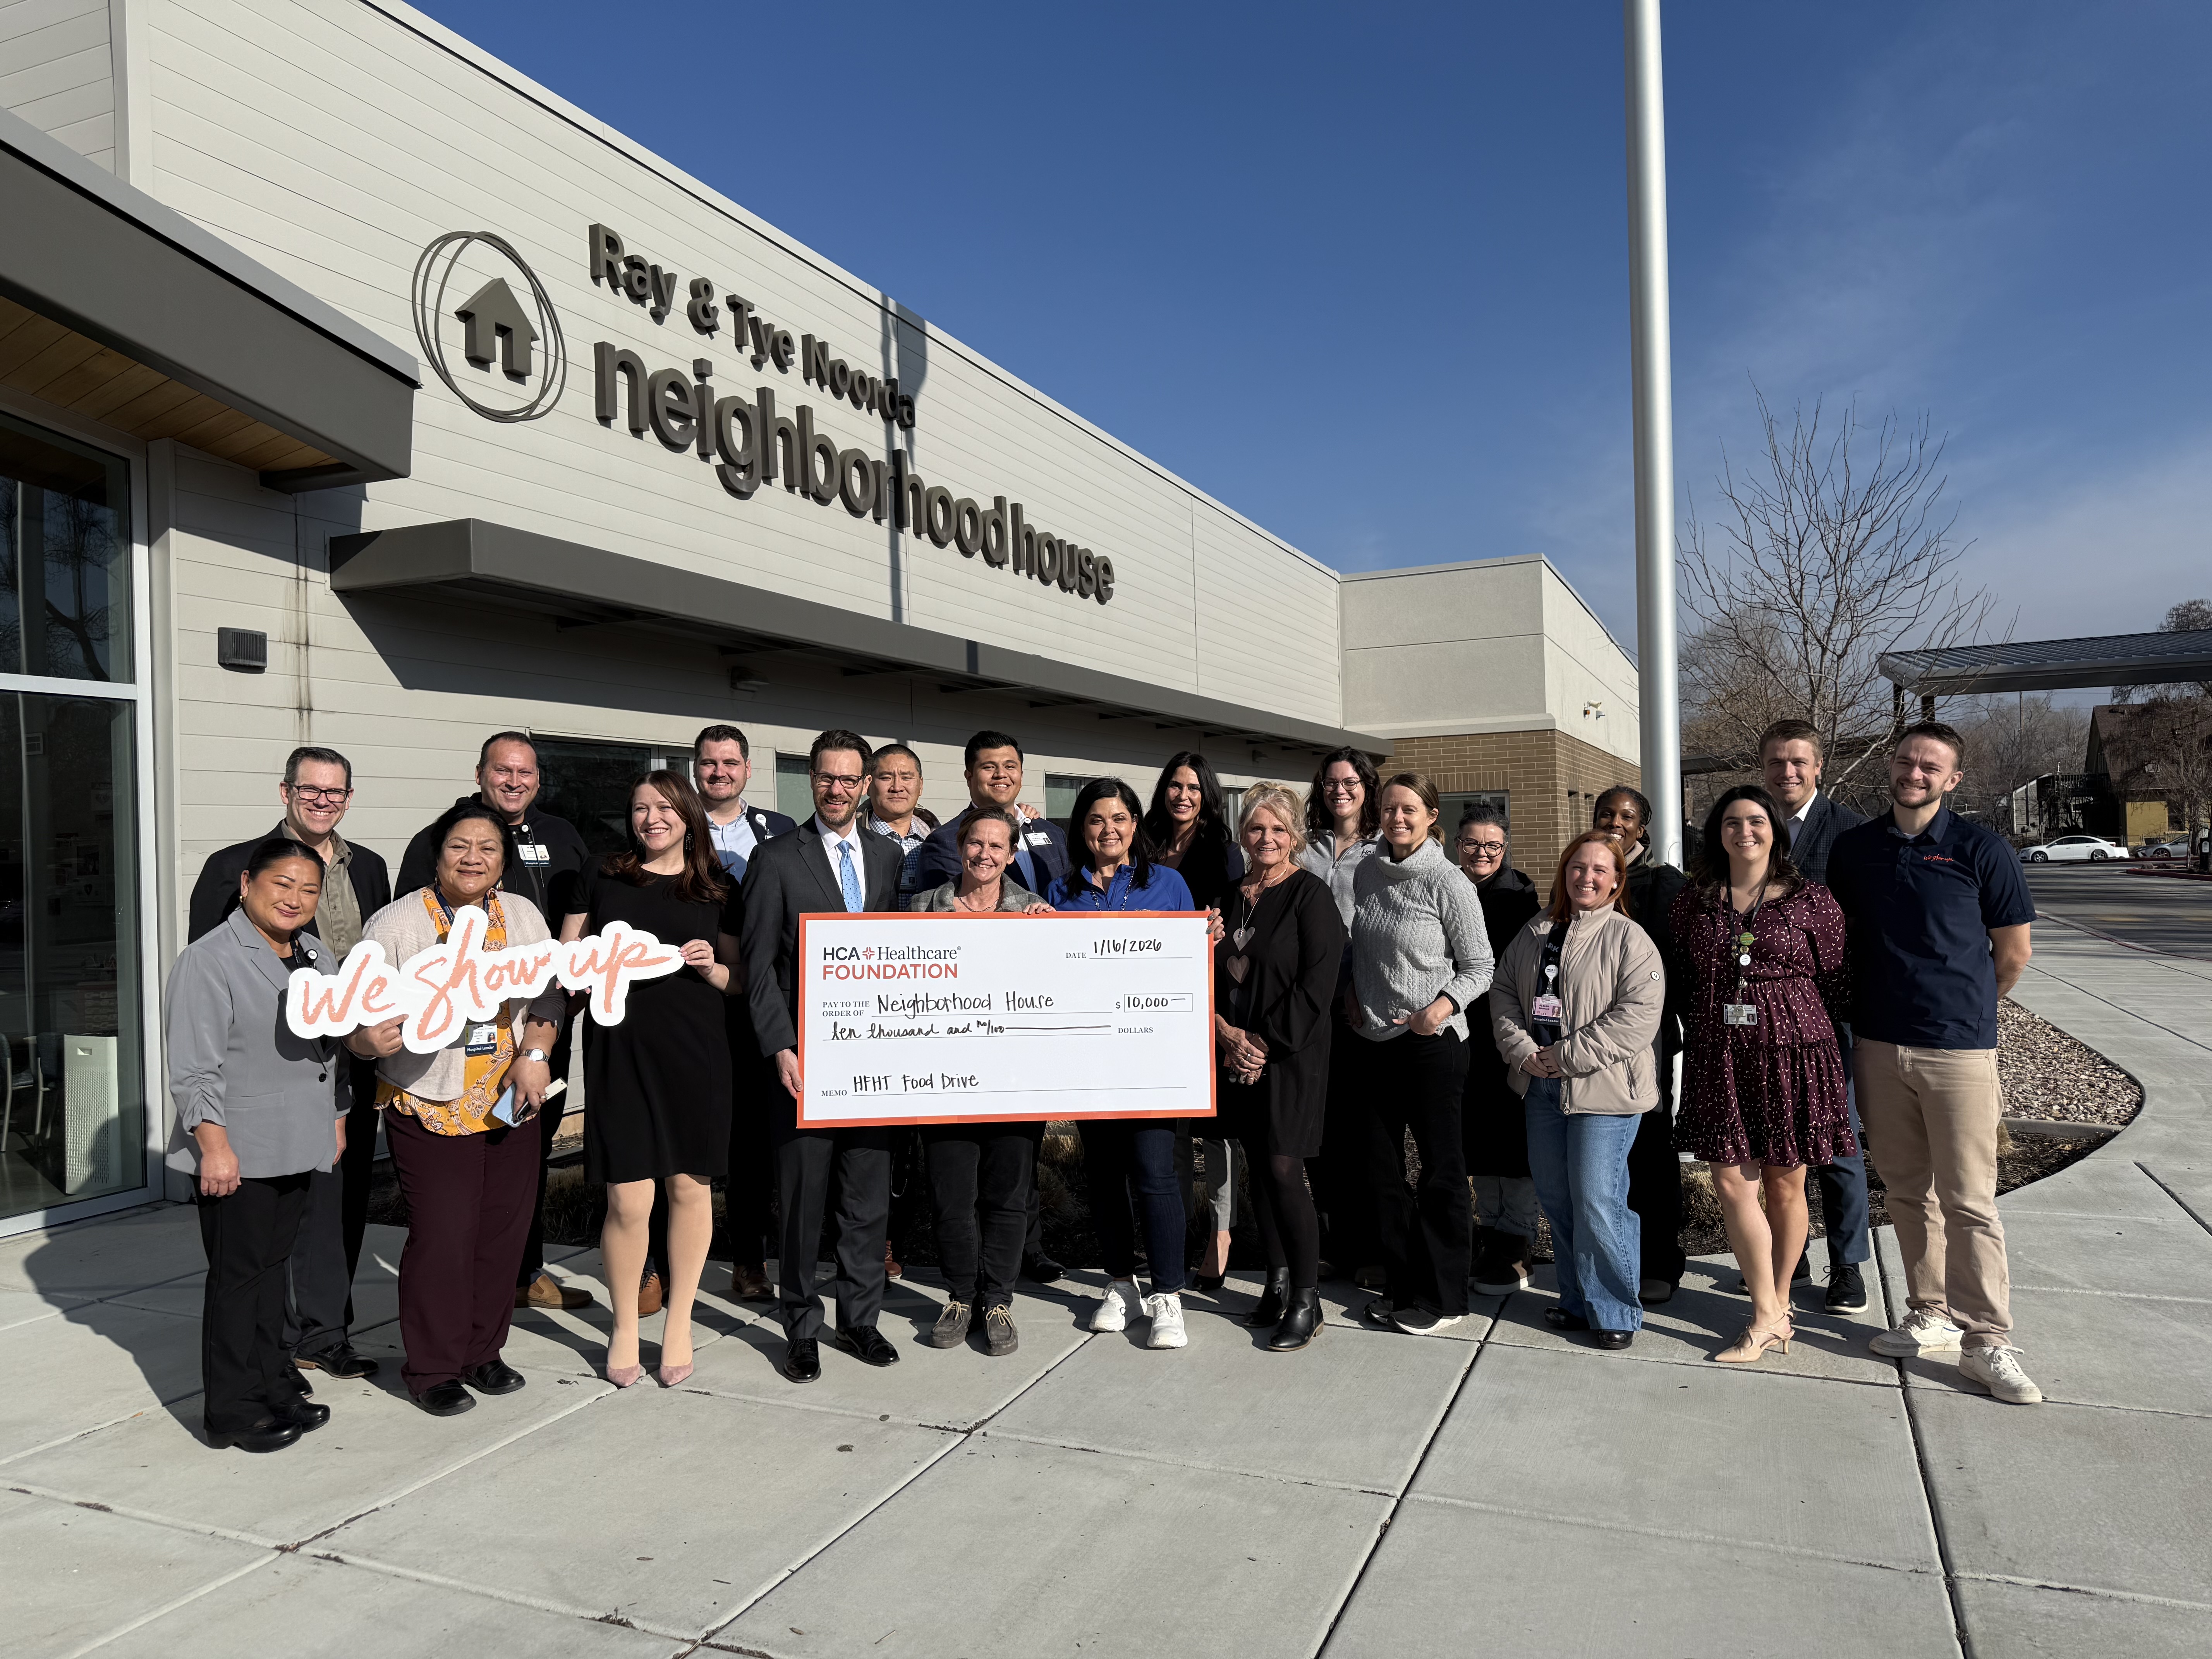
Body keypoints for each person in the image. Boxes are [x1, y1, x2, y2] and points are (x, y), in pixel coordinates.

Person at [1826, 722, 2041, 1404]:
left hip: (1958, 1048)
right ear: (1889, 767)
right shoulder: (1853, 849)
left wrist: (1966, 1005)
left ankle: (1987, 1340)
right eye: (1905, 760)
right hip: (1877, 1044)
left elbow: (2012, 953)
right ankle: (1930, 1312)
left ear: (1952, 779)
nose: (1914, 772)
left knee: (1969, 1197)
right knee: (1906, 1187)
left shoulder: (1981, 849)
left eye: (1930, 765)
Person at [350, 802, 562, 1415]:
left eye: (488, 848)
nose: (473, 859)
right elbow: (361, 1019)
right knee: (444, 1235)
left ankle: (481, 1352)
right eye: (459, 847)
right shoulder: (396, 925)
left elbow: (550, 987)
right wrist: (367, 1041)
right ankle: (433, 1366)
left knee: (502, 1232)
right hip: (429, 1099)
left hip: (511, 1094)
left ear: (503, 860)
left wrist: (538, 1050)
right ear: (437, 854)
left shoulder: (521, 914)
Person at [185, 745, 389, 1383]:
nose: (323, 799)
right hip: (264, 1071)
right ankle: (263, 1350)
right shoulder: (235, 866)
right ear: (286, 792)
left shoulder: (372, 867)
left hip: (342, 1063)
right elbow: (209, 969)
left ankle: (324, 1332)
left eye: (335, 791)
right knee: (266, 1224)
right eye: (310, 789)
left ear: (349, 798)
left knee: (337, 1206)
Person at [396, 733, 594, 1315]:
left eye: (525, 772)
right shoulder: (442, 838)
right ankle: (465, 1279)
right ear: (481, 773)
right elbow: (414, 925)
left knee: (523, 1154)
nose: (514, 781)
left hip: (543, 1025)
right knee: (460, 1174)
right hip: (459, 1037)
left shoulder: (562, 836)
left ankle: (522, 1271)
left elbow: (587, 915)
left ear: (539, 779)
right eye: (503, 771)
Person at [166, 838, 349, 1453]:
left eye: (308, 889)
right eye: (282, 885)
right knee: (239, 1281)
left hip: (296, 1141)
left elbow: (328, 1049)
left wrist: (337, 1117)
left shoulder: (315, 954)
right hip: (237, 1148)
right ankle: (232, 1410)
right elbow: (195, 1068)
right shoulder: (211, 958)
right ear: (247, 884)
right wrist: (213, 1146)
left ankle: (273, 1380)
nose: (295, 899)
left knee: (275, 1278)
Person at [560, 772, 741, 1388]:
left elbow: (739, 982)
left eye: (664, 807)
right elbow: (569, 958)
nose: (651, 818)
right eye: (639, 808)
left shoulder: (719, 888)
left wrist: (713, 967)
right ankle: (625, 1326)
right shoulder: (603, 873)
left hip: (696, 1053)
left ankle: (681, 1322)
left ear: (689, 815)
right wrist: (575, 978)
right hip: (619, 1052)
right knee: (627, 1198)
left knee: (690, 1189)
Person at [738, 730, 906, 1384]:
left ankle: (860, 1319)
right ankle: (801, 1324)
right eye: (826, 777)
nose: (838, 789)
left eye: (849, 778)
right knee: (803, 1203)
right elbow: (757, 969)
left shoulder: (888, 857)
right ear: (811, 779)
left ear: (866, 784)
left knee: (866, 1201)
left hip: (872, 1062)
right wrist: (779, 1045)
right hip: (802, 1061)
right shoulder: (776, 857)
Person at [1672, 785, 1855, 1363]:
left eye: (1756, 821)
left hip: (1795, 1052)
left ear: (1775, 829)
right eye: (1731, 822)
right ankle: (1769, 1312)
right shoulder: (1694, 903)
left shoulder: (1813, 900)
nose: (1744, 831)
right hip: (1720, 1055)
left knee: (1785, 1183)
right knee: (1731, 1182)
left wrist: (1807, 1035)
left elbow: (1838, 982)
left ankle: (1774, 1308)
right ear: (1716, 832)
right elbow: (1682, 976)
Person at [1492, 832, 1665, 1350]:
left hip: (1604, 1096)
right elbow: (1503, 994)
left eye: (1599, 870)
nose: (1586, 877)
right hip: (1541, 1090)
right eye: (1577, 867)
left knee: (1597, 1201)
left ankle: (1615, 1309)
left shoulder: (1629, 939)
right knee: (1559, 1201)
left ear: (1616, 881)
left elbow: (1636, 1020)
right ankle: (1576, 1300)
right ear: (1564, 872)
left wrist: (1564, 1056)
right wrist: (1522, 1050)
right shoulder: (1534, 931)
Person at [910, 729, 1070, 1284]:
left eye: (1009, 766)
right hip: (959, 1022)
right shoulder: (942, 845)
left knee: (1016, 1157)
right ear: (969, 776)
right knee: (963, 1169)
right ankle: (971, 1271)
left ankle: (1026, 1250)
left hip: (1020, 1018)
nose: (1000, 775)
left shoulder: (1048, 834)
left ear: (1022, 772)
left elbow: (1061, 903)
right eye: (987, 767)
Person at [1047, 778, 1197, 1347]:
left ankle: (1167, 1295)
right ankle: (1120, 1285)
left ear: (1136, 824)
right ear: (1081, 830)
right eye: (1095, 820)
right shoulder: (1062, 892)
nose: (1108, 829)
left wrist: (1203, 939)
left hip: (1154, 1058)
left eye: (1120, 818)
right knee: (1105, 1177)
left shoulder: (1169, 884)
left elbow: (1189, 969)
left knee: (1156, 1176)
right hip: (1091, 1059)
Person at [1348, 772, 1493, 1337]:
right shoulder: (1367, 871)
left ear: (1433, 816)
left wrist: (1441, 1007)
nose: (1397, 818)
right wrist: (1349, 995)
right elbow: (1363, 947)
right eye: (1388, 809)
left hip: (1432, 1046)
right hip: (1373, 1044)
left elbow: (1480, 966)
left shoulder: (1448, 881)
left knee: (1442, 1175)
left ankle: (1446, 1296)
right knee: (1381, 1173)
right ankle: (1403, 1285)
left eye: (1409, 809)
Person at [909, 805, 1054, 1355]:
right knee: (951, 1195)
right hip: (943, 1079)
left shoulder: (1035, 911)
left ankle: (998, 1299)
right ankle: (960, 1295)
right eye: (976, 844)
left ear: (1012, 855)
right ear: (960, 848)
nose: (985, 854)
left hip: (1015, 1080)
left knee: (1007, 1195)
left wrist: (1048, 937)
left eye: (997, 846)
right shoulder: (923, 907)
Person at [1214, 783, 1343, 1352]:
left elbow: (1318, 985)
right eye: (1256, 828)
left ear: (1295, 835)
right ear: (1243, 832)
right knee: (1258, 1173)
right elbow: (1210, 975)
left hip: (1290, 1056)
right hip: (1234, 1051)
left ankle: (1308, 1301)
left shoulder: (1310, 896)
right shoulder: (1227, 897)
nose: (1266, 839)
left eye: (1278, 829)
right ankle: (1276, 1281)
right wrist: (1227, 1035)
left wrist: (1261, 1043)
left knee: (1285, 1170)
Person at [1759, 718, 1874, 1313]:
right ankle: (1791, 1254)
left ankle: (1848, 1266)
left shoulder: (1851, 834)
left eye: (1799, 762)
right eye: (1777, 762)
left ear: (1819, 766)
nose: (1788, 772)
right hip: (1764, 1019)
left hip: (1833, 1015)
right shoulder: (1746, 829)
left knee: (1838, 1138)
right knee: (1774, 1138)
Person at [693, 723, 795, 1306]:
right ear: (696, 769)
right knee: (690, 1134)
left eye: (730, 763)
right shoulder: (674, 827)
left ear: (748, 770)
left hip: (757, 1003)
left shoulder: (778, 832)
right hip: (694, 1002)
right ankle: (662, 1261)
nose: (720, 772)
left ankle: (750, 1260)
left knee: (754, 1143)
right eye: (709, 763)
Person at [1142, 751, 1247, 1288]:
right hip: (1152, 996)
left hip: (1209, 990)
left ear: (1207, 794)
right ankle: (1174, 1235)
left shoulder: (1223, 852)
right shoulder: (1146, 842)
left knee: (1216, 1127)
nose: (1182, 796)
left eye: (1193, 788)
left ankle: (1221, 1233)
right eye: (1175, 786)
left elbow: (1233, 919)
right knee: (1171, 1124)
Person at [1592, 787, 1688, 1305]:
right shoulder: (1582, 873)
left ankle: (1659, 1260)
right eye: (1605, 814)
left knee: (1650, 1149)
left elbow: (1674, 972)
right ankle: (1609, 1257)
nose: (1614, 822)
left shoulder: (1665, 886)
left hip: (1644, 1047)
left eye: (1626, 816)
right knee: (1600, 1156)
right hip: (1586, 1047)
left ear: (1642, 829)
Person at [1298, 746, 1384, 1285]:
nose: (1340, 791)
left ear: (1367, 787)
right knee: (1318, 1129)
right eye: (1331, 783)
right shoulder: (1305, 846)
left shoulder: (1384, 847)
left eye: (1350, 782)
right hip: (1310, 1004)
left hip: (1362, 1002)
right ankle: (1334, 1242)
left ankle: (1372, 1246)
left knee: (1363, 1129)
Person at [1455, 805, 1544, 1295]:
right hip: (1457, 1032)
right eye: (1472, 844)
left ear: (1505, 850)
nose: (1482, 853)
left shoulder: (1520, 903)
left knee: (1512, 1144)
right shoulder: (1447, 889)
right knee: (1476, 1142)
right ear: (1457, 846)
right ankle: (1489, 1231)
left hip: (1505, 1036)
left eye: (1492, 845)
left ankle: (1517, 1240)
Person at [866, 741, 937, 903]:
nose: (897, 787)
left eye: (906, 778)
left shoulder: (937, 840)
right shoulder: (851, 840)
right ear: (868, 785)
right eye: (886, 778)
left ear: (921, 786)